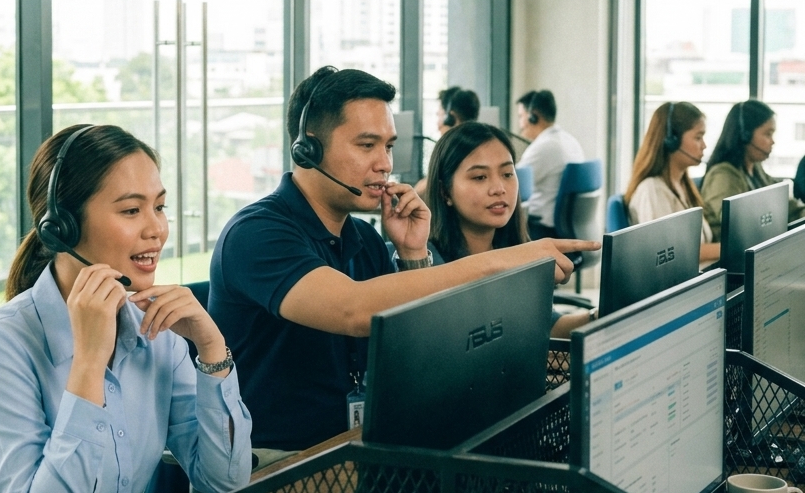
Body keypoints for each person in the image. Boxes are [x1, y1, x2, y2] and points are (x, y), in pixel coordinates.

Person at [209, 66, 598, 452]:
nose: (385, 163)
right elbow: (352, 309)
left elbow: (421, 353)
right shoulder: (257, 233)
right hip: (279, 467)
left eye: (389, 146)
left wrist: (413, 254)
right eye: (367, 146)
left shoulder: (362, 238)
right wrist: (504, 262)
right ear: (308, 149)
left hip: (363, 449)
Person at [0, 124, 251, 493]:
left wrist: (212, 351)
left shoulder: (155, 331)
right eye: (131, 210)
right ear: (62, 225)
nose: (157, 228)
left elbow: (224, 482)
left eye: (160, 206)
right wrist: (88, 363)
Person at [423, 121, 592, 338]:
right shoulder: (424, 260)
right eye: (480, 177)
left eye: (507, 174)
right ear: (444, 191)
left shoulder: (516, 251)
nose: (499, 189)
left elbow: (548, 325)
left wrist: (599, 315)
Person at [624, 102, 719, 265]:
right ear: (671, 141)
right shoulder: (652, 190)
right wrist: (733, 247)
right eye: (698, 137)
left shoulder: (683, 185)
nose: (704, 145)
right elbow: (669, 252)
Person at [700, 99, 805, 233]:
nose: (772, 141)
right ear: (745, 135)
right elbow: (737, 225)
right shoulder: (723, 176)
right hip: (733, 253)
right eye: (768, 134)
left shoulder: (755, 170)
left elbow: (788, 206)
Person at [515, 89, 585, 239]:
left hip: (541, 229)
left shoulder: (543, 148)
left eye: (521, 116)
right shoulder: (570, 141)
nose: (520, 124)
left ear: (533, 117)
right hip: (567, 229)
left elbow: (512, 185)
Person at [417, 86, 481, 197]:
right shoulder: (481, 142)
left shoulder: (454, 147)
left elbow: (430, 184)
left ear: (450, 117)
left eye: (440, 115)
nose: (438, 125)